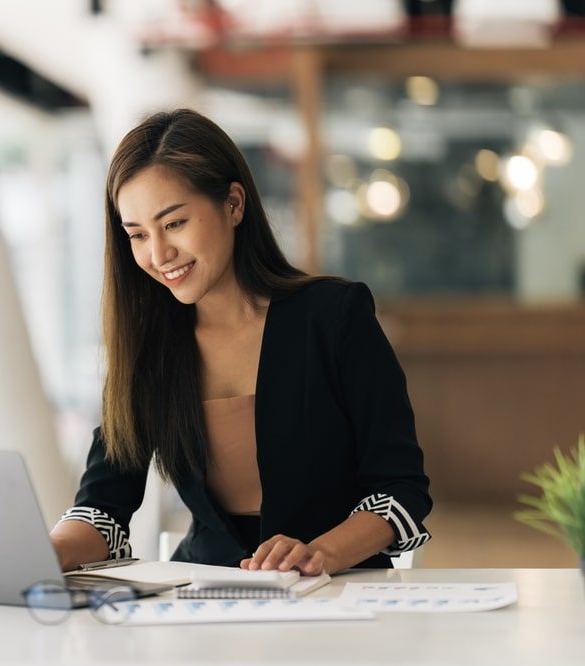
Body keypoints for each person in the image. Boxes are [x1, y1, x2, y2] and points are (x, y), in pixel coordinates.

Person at [50, 108, 431, 576]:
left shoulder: (334, 316)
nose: (158, 254)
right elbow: (102, 508)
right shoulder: (149, 350)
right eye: (137, 235)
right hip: (204, 597)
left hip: (337, 592)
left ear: (233, 204)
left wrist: (322, 553)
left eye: (173, 224)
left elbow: (401, 489)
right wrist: (43, 552)